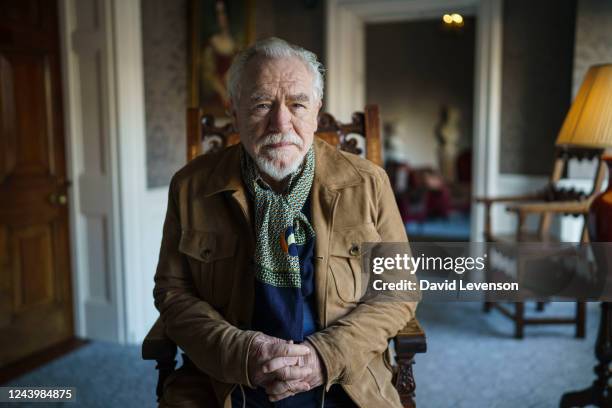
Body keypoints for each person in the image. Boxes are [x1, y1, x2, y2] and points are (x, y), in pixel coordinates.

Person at [153, 37, 417, 408]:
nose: (281, 122)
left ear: (317, 111)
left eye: (297, 104)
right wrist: (243, 352)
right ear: (234, 110)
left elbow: (398, 290)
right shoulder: (191, 186)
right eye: (262, 104)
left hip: (344, 376)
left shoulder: (369, 183)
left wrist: (325, 357)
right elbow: (173, 291)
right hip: (226, 375)